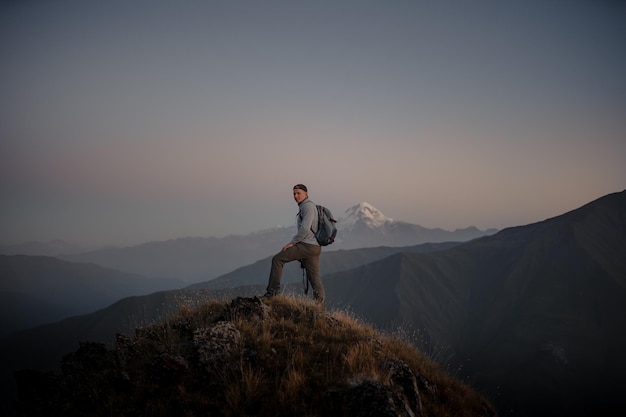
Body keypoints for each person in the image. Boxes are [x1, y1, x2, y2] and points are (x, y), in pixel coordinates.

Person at [264, 184, 325, 307]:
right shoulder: (306, 206)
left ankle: (272, 293)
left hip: (307, 246)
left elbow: (305, 229)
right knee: (315, 279)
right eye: (294, 193)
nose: (295, 196)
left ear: (306, 194)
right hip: (314, 247)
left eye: (298, 193)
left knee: (277, 259)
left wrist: (292, 243)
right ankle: (319, 307)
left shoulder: (307, 206)